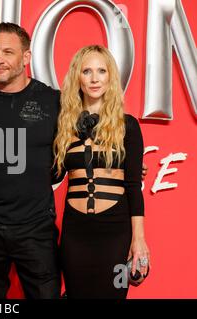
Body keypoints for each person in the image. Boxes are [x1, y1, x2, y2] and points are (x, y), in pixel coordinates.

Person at [0, 23, 61, 298]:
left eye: (7, 52)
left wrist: (126, 166)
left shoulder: (55, 102)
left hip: (37, 226)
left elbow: (83, 149)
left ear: (26, 58)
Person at [54, 45, 150, 298]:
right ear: (77, 77)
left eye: (101, 71)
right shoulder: (63, 125)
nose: (94, 78)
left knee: (115, 295)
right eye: (87, 71)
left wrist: (138, 240)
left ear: (111, 77)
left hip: (116, 233)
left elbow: (132, 187)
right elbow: (51, 173)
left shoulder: (127, 125)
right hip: (75, 233)